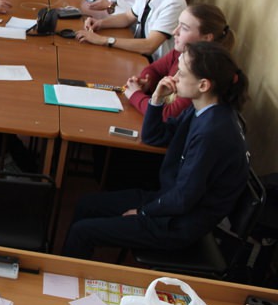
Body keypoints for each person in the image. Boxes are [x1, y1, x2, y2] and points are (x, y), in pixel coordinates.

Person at [62, 41, 250, 259]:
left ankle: (66, 276)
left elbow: (184, 197)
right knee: (86, 205)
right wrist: (157, 99)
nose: (174, 77)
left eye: (181, 73)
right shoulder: (203, 108)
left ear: (203, 85)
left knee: (82, 232)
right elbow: (154, 136)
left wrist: (143, 212)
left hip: (180, 223)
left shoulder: (212, 133)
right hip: (170, 202)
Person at [125, 4, 235, 120]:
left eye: (184, 28)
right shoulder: (180, 52)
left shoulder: (202, 72)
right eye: (178, 24)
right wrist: (147, 82)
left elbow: (167, 114)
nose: (174, 32)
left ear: (206, 38)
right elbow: (154, 69)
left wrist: (135, 95)